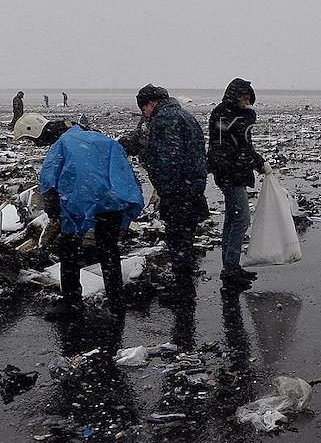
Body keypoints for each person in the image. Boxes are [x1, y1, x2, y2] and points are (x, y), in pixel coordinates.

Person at [13, 114, 144, 319]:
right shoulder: (99, 139)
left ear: (37, 132)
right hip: (111, 202)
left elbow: (48, 183)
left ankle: (72, 303)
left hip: (79, 205)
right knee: (108, 250)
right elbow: (123, 171)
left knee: (69, 251)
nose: (35, 144)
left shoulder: (61, 145)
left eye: (33, 140)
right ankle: (117, 302)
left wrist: (54, 213)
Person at [134, 84, 210, 288]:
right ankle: (185, 281)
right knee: (186, 237)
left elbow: (169, 158)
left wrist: (165, 190)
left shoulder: (164, 119)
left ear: (150, 103)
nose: (145, 115)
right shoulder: (185, 116)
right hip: (192, 187)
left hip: (178, 191)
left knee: (177, 239)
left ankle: (183, 289)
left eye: (144, 109)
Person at [207, 79, 267, 286]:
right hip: (230, 173)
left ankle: (231, 266)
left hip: (232, 172)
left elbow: (243, 145)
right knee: (241, 219)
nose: (247, 101)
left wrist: (258, 163)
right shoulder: (224, 114)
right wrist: (257, 162)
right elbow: (240, 142)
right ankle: (230, 268)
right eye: (244, 97)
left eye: (249, 98)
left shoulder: (228, 113)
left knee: (232, 220)